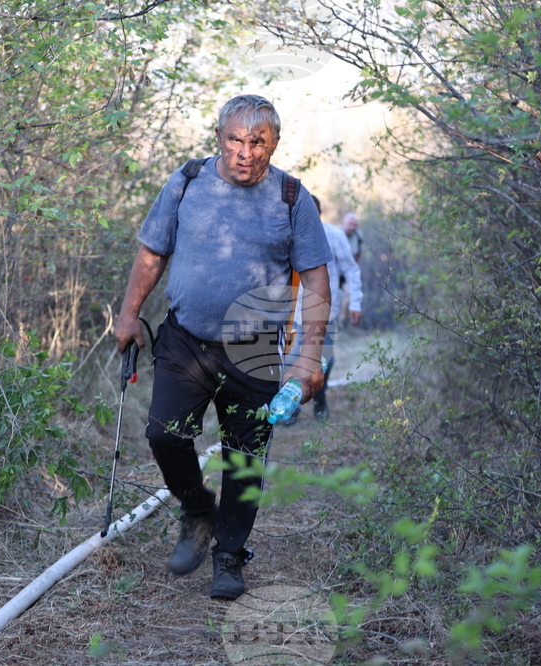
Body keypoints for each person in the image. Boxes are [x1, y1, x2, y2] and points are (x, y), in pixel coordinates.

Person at [115, 95, 332, 600]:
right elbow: (153, 250)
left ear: (274, 144)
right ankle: (196, 510)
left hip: (254, 349)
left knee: (245, 459)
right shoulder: (187, 181)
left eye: (258, 142)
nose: (245, 152)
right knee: (164, 435)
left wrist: (309, 354)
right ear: (219, 137)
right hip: (186, 339)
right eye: (235, 139)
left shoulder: (293, 197)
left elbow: (318, 281)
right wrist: (129, 313)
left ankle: (230, 556)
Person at [281, 195, 362, 424]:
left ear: (319, 213)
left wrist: (355, 302)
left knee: (324, 360)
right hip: (292, 310)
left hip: (326, 310)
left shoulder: (334, 235)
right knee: (292, 358)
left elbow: (351, 269)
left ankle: (320, 397)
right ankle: (292, 407)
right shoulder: (286, 233)